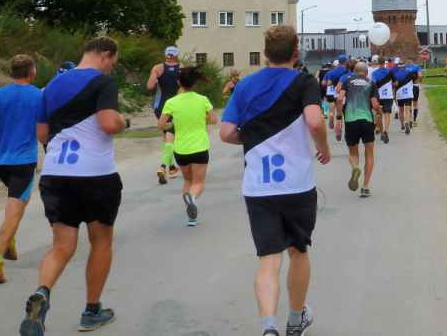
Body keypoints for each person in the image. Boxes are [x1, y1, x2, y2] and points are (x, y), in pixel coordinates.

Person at [220, 24, 330, 336]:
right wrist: (324, 149)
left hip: (258, 186)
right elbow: (314, 121)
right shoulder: (304, 82)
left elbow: (226, 133)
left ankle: (269, 327)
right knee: (298, 251)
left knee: (268, 260)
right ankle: (295, 321)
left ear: (266, 53)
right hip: (297, 185)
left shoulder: (245, 85)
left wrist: (254, 137)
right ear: (296, 53)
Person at [20, 36, 129, 335]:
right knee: (101, 241)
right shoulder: (103, 82)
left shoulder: (51, 86)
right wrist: (124, 121)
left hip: (56, 174)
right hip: (95, 175)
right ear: (105, 55)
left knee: (62, 246)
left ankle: (42, 291)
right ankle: (92, 312)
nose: (111, 68)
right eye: (113, 62)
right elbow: (109, 124)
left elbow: (43, 135)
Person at [0, 55, 42, 284]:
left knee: (19, 201)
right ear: (32, 72)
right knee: (14, 209)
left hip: (0, 162)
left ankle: (10, 241)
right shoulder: (39, 95)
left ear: (12, 72)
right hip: (23, 162)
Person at [157, 65, 218, 226]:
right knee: (198, 182)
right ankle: (192, 198)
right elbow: (214, 120)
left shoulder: (171, 102)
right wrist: (200, 120)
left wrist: (172, 125)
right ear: (194, 83)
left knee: (188, 180)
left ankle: (191, 217)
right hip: (200, 147)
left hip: (181, 150)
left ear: (179, 82)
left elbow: (160, 125)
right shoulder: (202, 99)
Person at [335, 62, 380, 197]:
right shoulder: (371, 83)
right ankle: (365, 187)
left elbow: (339, 99)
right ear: (366, 72)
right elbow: (375, 105)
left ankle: (355, 168)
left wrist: (339, 117)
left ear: (355, 72)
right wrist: (379, 113)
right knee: (369, 153)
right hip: (366, 120)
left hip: (350, 120)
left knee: (353, 154)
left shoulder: (347, 81)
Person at [147, 46, 185, 184]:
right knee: (171, 135)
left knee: (167, 135)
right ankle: (163, 166)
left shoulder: (157, 68)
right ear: (176, 56)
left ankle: (172, 168)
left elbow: (149, 86)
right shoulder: (182, 68)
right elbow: (187, 85)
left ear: (165, 56)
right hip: (176, 106)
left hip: (160, 106)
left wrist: (158, 82)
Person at [370, 57, 395, 143]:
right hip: (388, 96)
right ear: (384, 62)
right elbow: (395, 82)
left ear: (377, 62)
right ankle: (386, 130)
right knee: (387, 114)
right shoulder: (390, 71)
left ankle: (381, 134)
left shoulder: (374, 73)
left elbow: (373, 84)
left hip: (378, 96)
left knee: (378, 115)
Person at [322, 56, 348, 132]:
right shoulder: (348, 71)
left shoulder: (331, 72)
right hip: (343, 93)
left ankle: (331, 116)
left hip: (331, 93)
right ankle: (341, 128)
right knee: (341, 113)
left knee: (332, 110)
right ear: (345, 61)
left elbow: (326, 83)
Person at [393, 63, 414, 134]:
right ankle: (407, 121)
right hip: (408, 94)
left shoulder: (395, 75)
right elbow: (416, 81)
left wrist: (394, 97)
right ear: (404, 67)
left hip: (399, 94)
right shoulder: (410, 73)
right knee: (408, 109)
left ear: (398, 67)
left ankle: (402, 126)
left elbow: (394, 87)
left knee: (401, 110)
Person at [405, 59, 423, 127]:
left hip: (408, 86)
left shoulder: (405, 68)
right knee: (415, 103)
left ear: (408, 62)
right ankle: (414, 120)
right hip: (415, 86)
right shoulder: (417, 67)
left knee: (408, 104)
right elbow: (420, 75)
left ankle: (409, 119)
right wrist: (420, 80)